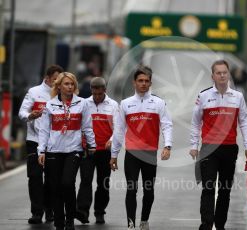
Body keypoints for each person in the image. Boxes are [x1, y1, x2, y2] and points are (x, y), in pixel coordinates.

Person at [189, 60, 247, 230]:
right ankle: (206, 224)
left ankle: (220, 224)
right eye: (218, 73)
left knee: (224, 190)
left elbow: (244, 122)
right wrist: (194, 145)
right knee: (208, 188)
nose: (222, 75)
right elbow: (195, 122)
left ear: (229, 74)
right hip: (209, 149)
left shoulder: (238, 97)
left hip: (229, 148)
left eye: (224, 72)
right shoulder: (203, 96)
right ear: (213, 76)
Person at [110, 66, 173, 230]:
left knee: (149, 191)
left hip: (150, 153)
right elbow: (119, 130)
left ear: (150, 83)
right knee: (131, 190)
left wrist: (167, 146)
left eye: (146, 81)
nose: (143, 84)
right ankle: (130, 223)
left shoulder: (159, 103)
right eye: (140, 81)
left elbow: (167, 125)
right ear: (134, 83)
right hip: (132, 153)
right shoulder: (125, 104)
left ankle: (144, 221)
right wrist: (114, 155)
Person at [37, 72, 96, 230]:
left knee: (67, 183)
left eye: (72, 84)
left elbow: (87, 127)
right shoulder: (50, 105)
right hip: (53, 151)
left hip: (73, 150)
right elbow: (44, 130)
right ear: (59, 86)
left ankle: (69, 219)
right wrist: (41, 151)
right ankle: (59, 222)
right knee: (55, 187)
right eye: (66, 84)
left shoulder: (82, 103)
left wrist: (92, 145)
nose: (70, 87)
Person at [18, 64, 64, 224]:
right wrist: (30, 115)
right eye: (55, 80)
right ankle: (37, 212)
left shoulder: (62, 95)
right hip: (34, 140)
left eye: (60, 80)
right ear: (47, 78)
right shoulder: (34, 92)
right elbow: (21, 113)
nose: (57, 83)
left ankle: (49, 209)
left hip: (53, 143)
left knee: (52, 179)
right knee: (35, 177)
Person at [75, 77, 119, 224]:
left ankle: (100, 212)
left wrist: (111, 141)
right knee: (85, 181)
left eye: (100, 94)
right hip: (88, 150)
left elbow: (118, 128)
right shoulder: (84, 104)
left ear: (105, 91)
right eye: (95, 94)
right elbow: (79, 125)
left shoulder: (113, 105)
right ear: (91, 90)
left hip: (105, 151)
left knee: (103, 183)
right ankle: (82, 212)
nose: (97, 97)